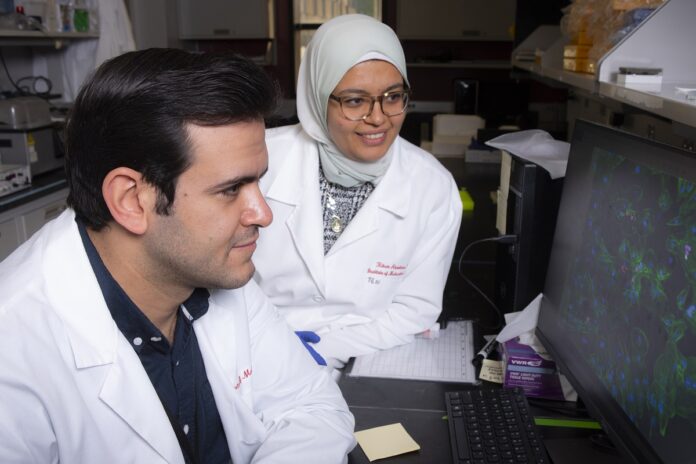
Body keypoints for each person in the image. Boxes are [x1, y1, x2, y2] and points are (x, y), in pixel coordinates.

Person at [0, 48, 355, 463]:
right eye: (230, 190)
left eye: (258, 182)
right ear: (132, 200)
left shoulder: (213, 271)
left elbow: (314, 407)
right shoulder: (14, 350)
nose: (263, 214)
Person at [254, 15, 463, 369]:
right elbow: (217, 284)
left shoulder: (432, 187)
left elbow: (414, 310)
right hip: (251, 355)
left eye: (393, 97)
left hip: (363, 357)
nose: (378, 118)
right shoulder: (260, 162)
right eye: (355, 101)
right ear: (319, 98)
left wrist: (323, 350)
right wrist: (273, 350)